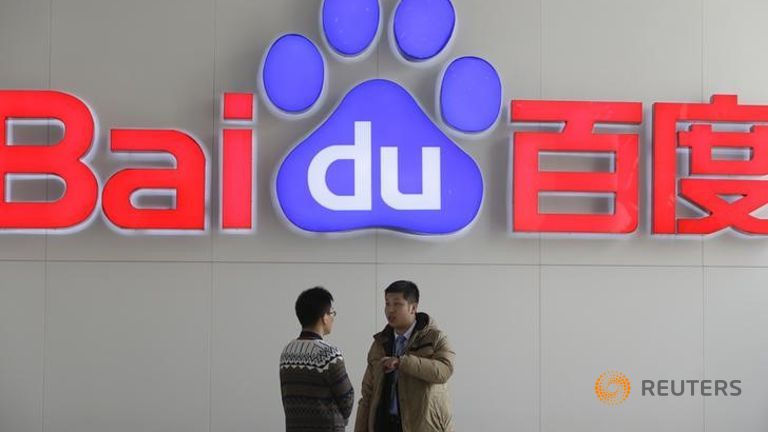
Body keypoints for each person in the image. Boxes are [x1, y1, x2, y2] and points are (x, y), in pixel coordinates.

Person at [355, 280, 455, 432]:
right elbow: (367, 394)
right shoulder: (379, 343)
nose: (390, 310)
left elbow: (444, 371)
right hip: (384, 425)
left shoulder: (435, 338)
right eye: (387, 304)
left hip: (422, 426)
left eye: (397, 304)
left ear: (413, 308)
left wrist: (402, 362)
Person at [280, 287, 354, 432]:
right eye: (332, 313)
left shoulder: (287, 351)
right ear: (324, 317)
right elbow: (347, 401)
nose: (333, 317)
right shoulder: (329, 354)